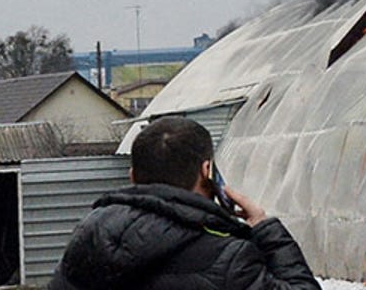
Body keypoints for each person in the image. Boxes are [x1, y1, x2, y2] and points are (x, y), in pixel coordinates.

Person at [49, 115, 320, 290]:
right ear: (207, 172)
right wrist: (264, 227)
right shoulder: (230, 258)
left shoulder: (87, 241)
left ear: (132, 177)